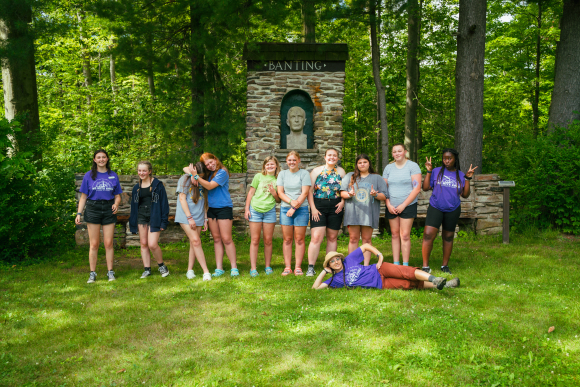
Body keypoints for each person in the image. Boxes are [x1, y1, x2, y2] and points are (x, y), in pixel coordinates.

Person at [421, 148, 478, 274]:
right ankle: (425, 266)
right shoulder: (436, 171)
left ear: (455, 159)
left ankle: (444, 266)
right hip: (436, 207)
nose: (446, 161)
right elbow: (425, 188)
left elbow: (465, 195)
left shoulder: (461, 175)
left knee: (448, 236)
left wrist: (468, 179)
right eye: (444, 158)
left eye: (449, 158)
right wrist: (428, 171)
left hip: (452, 209)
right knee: (428, 234)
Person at [311, 244, 460, 290]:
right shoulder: (335, 280)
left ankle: (435, 278)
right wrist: (324, 272)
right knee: (407, 284)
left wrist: (379, 255)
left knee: (406, 272)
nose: (336, 262)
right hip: (380, 283)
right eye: (332, 261)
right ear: (329, 265)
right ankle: (446, 285)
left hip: (379, 269)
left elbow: (365, 246)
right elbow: (315, 289)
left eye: (337, 258)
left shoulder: (348, 260)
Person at [186, 153, 239, 277]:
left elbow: (209, 186)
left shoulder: (222, 172)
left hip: (224, 208)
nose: (210, 166)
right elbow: (186, 168)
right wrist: (192, 174)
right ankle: (219, 268)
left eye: (211, 162)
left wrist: (195, 177)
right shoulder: (208, 174)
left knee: (226, 239)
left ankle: (234, 267)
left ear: (215, 159)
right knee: (216, 239)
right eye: (207, 165)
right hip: (211, 209)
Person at [75, 149, 122, 283]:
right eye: (98, 157)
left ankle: (110, 272)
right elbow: (83, 197)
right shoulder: (89, 175)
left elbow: (117, 196)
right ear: (94, 160)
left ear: (107, 159)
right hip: (93, 209)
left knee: (108, 243)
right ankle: (92, 273)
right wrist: (79, 213)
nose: (101, 159)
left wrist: (116, 204)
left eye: (104, 157)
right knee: (94, 244)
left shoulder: (113, 175)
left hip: (108, 209)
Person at [340, 153, 388, 264]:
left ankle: (366, 266)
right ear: (357, 165)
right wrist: (349, 194)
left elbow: (384, 196)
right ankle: (352, 264)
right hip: (353, 213)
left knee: (367, 240)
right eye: (360, 162)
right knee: (353, 239)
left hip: (368, 213)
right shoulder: (350, 176)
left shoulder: (376, 178)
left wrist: (375, 194)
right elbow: (342, 193)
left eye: (365, 162)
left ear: (369, 163)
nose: (362, 164)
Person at [306, 148, 346, 277]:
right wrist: (313, 208)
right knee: (316, 237)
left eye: (334, 156)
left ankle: (331, 266)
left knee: (332, 237)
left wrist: (343, 202)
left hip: (336, 206)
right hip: (319, 206)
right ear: (325, 157)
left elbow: (345, 189)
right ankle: (311, 267)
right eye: (329, 155)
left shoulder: (341, 171)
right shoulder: (316, 171)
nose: (332, 157)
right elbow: (309, 191)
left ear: (337, 158)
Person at [129, 161, 170, 279]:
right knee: (143, 244)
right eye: (139, 170)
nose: (141, 173)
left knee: (152, 244)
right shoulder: (136, 187)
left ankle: (162, 266)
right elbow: (133, 206)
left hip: (155, 216)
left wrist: (163, 221)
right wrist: (133, 223)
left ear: (149, 171)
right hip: (141, 217)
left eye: (144, 170)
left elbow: (164, 204)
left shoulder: (158, 185)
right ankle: (147, 269)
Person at [382, 143, 422, 266]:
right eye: (394, 152)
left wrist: (404, 205)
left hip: (408, 205)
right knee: (394, 234)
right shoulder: (388, 168)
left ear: (405, 152)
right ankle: (396, 263)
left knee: (404, 235)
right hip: (391, 206)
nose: (397, 154)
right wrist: (388, 204)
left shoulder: (413, 166)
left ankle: (405, 265)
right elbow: (384, 189)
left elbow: (416, 188)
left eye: (399, 151)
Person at [244, 156, 282, 277]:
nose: (270, 166)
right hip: (255, 210)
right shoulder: (258, 176)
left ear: (276, 166)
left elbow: (278, 200)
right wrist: (246, 209)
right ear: (264, 166)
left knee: (268, 240)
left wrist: (274, 193)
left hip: (269, 211)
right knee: (255, 240)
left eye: (272, 164)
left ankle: (267, 266)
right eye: (267, 164)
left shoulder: (278, 179)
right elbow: (251, 192)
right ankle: (253, 268)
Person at [176, 162, 212, 281]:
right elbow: (182, 199)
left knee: (193, 243)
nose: (199, 178)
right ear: (193, 171)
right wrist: (189, 218)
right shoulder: (184, 179)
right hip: (186, 216)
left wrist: (205, 218)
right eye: (198, 175)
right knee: (196, 241)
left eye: (201, 176)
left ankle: (189, 270)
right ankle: (206, 272)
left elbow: (203, 201)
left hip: (199, 216)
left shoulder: (202, 180)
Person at [277, 151, 311, 276]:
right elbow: (280, 193)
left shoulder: (304, 173)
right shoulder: (282, 174)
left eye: (294, 160)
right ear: (286, 161)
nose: (292, 162)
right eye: (289, 160)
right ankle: (287, 267)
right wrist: (291, 203)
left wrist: (294, 208)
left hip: (301, 209)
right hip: (286, 209)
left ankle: (298, 267)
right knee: (287, 239)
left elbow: (305, 193)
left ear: (299, 160)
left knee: (299, 239)